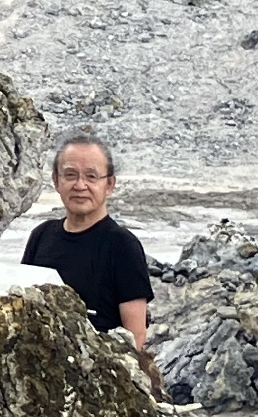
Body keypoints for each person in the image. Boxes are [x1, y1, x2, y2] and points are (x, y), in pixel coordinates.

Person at [21, 132, 161, 394]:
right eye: (70, 175)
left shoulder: (122, 246)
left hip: (97, 385)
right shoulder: (41, 236)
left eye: (91, 176)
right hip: (39, 380)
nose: (80, 185)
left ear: (109, 185)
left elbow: (135, 337)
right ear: (56, 181)